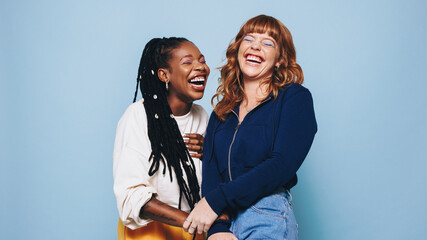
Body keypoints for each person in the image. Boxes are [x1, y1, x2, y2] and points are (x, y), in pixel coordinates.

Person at [183, 15, 317, 240]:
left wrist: (216, 201)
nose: (256, 45)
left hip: (266, 214)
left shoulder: (294, 98)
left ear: (279, 60)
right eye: (249, 39)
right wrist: (218, 230)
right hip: (223, 220)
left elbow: (281, 164)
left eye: (268, 43)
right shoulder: (221, 112)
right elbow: (212, 174)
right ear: (238, 50)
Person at [113, 37, 210, 240]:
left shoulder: (202, 117)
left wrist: (212, 152)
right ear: (164, 75)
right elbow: (131, 197)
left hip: (193, 232)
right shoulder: (138, 115)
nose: (200, 67)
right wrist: (192, 221)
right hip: (150, 233)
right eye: (188, 62)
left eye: (202, 60)